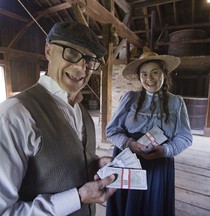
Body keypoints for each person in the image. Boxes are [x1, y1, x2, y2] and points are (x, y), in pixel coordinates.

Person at [0, 21, 117, 215]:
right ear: (48, 50)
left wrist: (94, 163)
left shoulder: (83, 113)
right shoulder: (14, 115)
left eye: (89, 60)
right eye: (71, 53)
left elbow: (61, 161)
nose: (82, 68)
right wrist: (77, 198)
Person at [105, 52, 193, 216]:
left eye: (155, 72)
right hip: (129, 161)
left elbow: (185, 137)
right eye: (144, 74)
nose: (149, 78)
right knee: (128, 206)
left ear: (164, 74)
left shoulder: (176, 102)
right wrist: (130, 143)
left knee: (152, 206)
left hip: (158, 164)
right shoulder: (130, 98)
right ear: (139, 77)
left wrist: (166, 150)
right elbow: (111, 130)